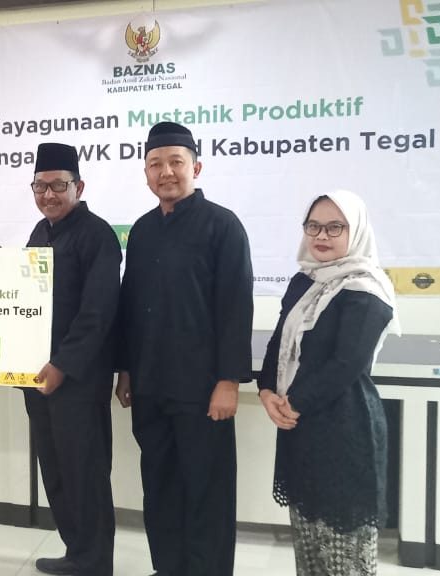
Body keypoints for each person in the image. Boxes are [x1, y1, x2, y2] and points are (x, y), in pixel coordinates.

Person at [115, 122, 253, 576]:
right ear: (146, 174)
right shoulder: (142, 230)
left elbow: (236, 308)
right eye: (155, 164)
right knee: (160, 484)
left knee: (206, 490)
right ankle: (168, 568)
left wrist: (229, 381)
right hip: (151, 385)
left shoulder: (223, 226)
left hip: (202, 390)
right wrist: (126, 370)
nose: (166, 172)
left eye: (176, 162)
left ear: (196, 167)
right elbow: (131, 305)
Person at [257, 190, 399, 576]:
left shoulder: (366, 290)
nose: (321, 235)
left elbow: (346, 364)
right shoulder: (304, 282)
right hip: (301, 428)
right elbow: (280, 342)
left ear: (356, 231)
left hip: (345, 430)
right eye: (314, 226)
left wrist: (293, 403)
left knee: (344, 556)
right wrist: (266, 390)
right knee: (309, 549)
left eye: (335, 227)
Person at [15, 143, 121, 575]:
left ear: (79, 186)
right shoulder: (40, 233)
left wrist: (63, 365)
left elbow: (98, 312)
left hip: (77, 380)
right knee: (56, 470)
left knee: (85, 472)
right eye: (40, 186)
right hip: (38, 378)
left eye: (58, 186)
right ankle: (76, 552)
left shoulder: (97, 235)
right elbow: (29, 296)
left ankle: (95, 560)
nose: (48, 195)